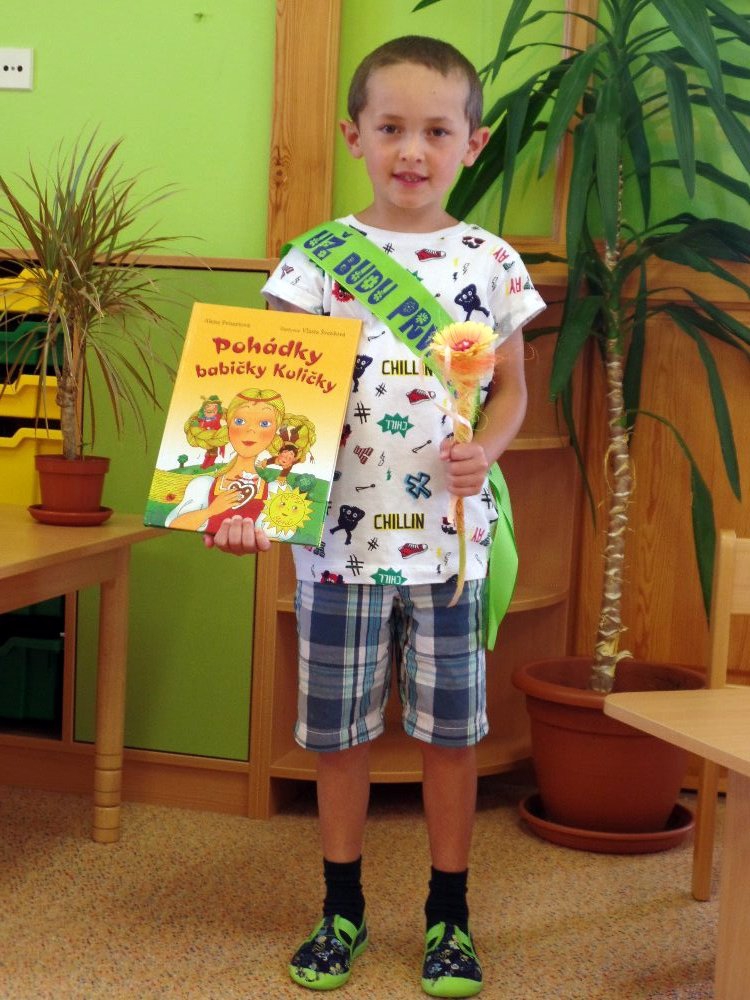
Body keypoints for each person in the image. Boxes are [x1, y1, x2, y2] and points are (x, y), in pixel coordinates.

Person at [205, 34, 545, 997]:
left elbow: (513, 392)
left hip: (450, 552)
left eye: (436, 131)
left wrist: (490, 450)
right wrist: (242, 506)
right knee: (340, 740)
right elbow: (266, 400)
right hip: (334, 553)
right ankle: (341, 908)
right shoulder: (314, 263)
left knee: (451, 739)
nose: (412, 150)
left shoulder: (491, 261)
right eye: (390, 127)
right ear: (354, 135)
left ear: (473, 143)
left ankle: (449, 916)